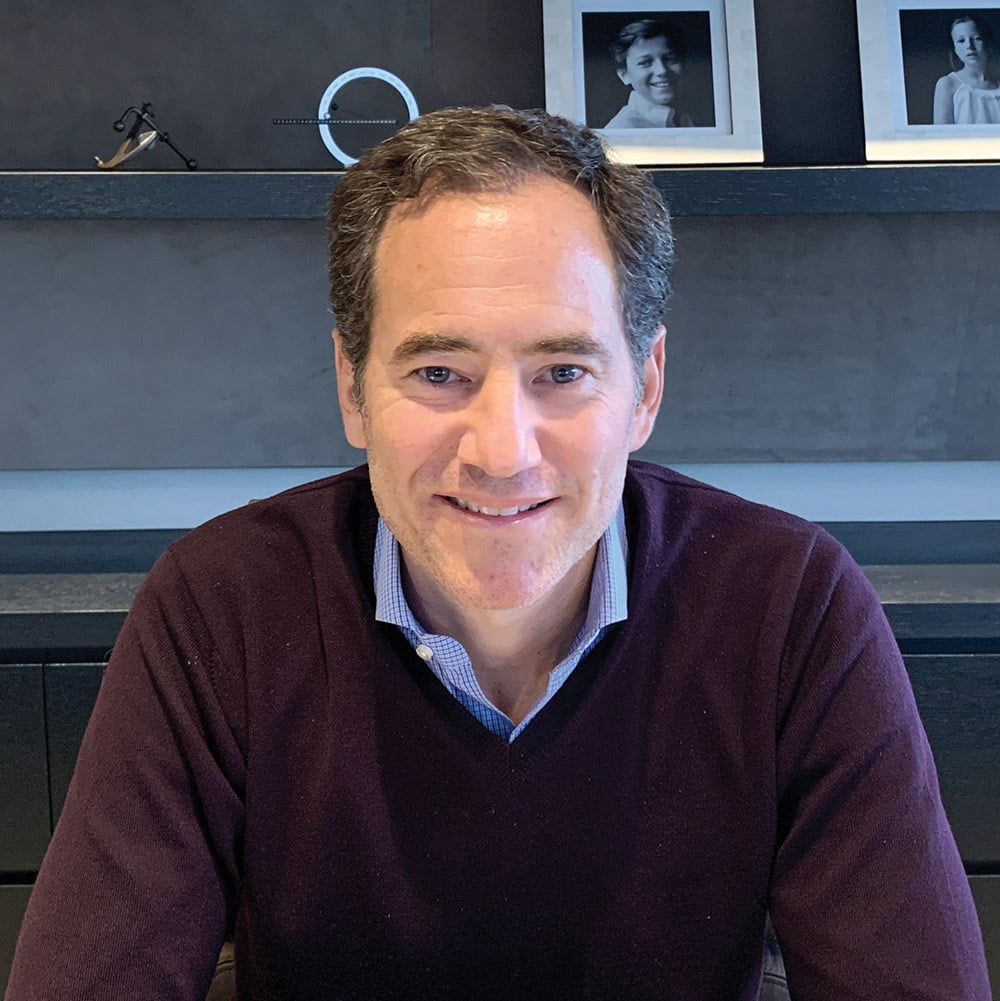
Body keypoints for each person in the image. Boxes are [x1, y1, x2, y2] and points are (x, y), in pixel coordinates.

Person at [5, 106, 991, 1000]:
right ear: (352, 388)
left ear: (645, 386)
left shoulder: (790, 608)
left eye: (562, 370)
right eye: (439, 371)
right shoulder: (221, 608)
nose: (502, 451)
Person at [604, 19, 693, 128]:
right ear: (624, 75)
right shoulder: (624, 127)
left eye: (670, 59)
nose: (662, 70)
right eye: (645, 62)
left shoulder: (682, 117)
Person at [933, 12, 1000, 124]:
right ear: (956, 49)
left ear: (989, 45)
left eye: (977, 38)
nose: (969, 46)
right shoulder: (948, 84)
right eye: (961, 41)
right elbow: (941, 132)